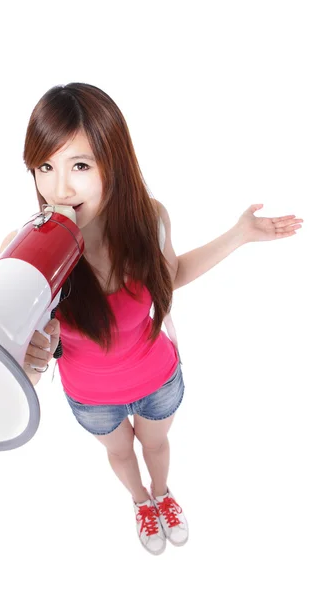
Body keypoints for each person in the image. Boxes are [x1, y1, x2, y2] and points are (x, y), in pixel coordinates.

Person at [16, 82, 304, 556]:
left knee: (156, 448)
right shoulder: (27, 249)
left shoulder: (151, 219)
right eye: (44, 166)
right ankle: (140, 501)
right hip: (92, 397)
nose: (58, 188)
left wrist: (239, 234)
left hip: (157, 378)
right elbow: (21, 361)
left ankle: (164, 494)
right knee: (120, 453)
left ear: (116, 162)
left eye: (80, 166)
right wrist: (30, 358)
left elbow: (172, 277)